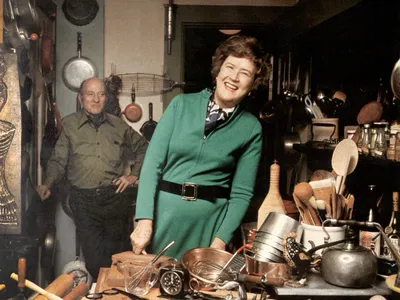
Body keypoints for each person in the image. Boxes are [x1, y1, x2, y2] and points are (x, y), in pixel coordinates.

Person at [130, 35, 270, 258]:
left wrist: (220, 241)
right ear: (218, 70)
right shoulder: (180, 105)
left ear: (253, 84)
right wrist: (144, 221)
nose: (234, 78)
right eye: (230, 67)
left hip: (208, 227)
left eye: (245, 73)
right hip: (160, 221)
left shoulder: (251, 128)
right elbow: (151, 165)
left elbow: (242, 194)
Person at [37, 77, 148, 279]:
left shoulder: (118, 125)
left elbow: (144, 148)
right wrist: (47, 183)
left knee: (118, 259)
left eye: (101, 94)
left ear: (106, 98)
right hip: (84, 202)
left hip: (114, 199)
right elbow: (58, 160)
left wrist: (133, 176)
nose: (96, 99)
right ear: (81, 98)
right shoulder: (69, 125)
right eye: (90, 94)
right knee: (95, 262)